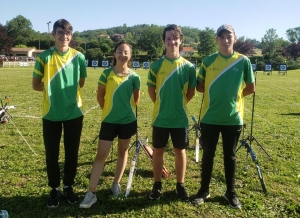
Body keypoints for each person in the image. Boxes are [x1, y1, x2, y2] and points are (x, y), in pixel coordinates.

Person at [192, 24, 256, 209]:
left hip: (232, 118)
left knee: (230, 156)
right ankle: (204, 190)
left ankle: (231, 192)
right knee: (208, 156)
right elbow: (200, 86)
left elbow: (251, 87)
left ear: (234, 38)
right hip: (209, 117)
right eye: (221, 37)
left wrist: (232, 97)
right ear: (217, 40)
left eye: (229, 36)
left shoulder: (243, 61)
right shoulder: (208, 60)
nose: (225, 40)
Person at [32, 19, 87, 208]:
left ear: (71, 36)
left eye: (67, 33)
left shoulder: (79, 57)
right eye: (60, 32)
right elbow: (35, 84)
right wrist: (52, 91)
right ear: (53, 35)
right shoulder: (44, 57)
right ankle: (54, 188)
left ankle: (68, 187)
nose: (64, 36)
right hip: (51, 113)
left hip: (74, 113)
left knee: (72, 153)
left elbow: (81, 83)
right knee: (52, 154)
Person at [79, 41, 140, 209]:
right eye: (119, 51)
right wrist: (108, 111)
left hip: (127, 121)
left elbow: (137, 100)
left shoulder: (135, 77)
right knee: (101, 154)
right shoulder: (106, 73)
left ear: (130, 55)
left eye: (126, 52)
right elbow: (100, 97)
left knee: (123, 151)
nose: (122, 54)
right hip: (108, 121)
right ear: (114, 54)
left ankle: (116, 183)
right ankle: (91, 193)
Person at [147, 24, 196, 202]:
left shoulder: (189, 67)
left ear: (180, 40)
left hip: (180, 118)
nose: (172, 42)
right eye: (168, 38)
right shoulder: (157, 65)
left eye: (175, 38)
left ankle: (180, 185)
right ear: (164, 41)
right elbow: (151, 91)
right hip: (160, 117)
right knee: (158, 151)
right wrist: (163, 105)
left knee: (180, 152)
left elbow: (191, 92)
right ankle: (157, 184)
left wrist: (178, 105)